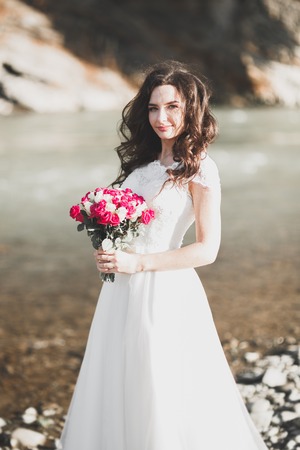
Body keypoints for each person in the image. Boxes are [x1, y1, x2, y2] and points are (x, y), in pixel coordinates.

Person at [60, 61, 268, 449]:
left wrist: (139, 263)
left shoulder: (201, 168)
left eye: (172, 107)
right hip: (121, 291)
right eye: (153, 108)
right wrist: (109, 250)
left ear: (191, 108)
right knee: (118, 384)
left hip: (165, 292)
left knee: (161, 390)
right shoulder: (142, 162)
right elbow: (130, 227)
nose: (161, 117)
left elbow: (208, 249)